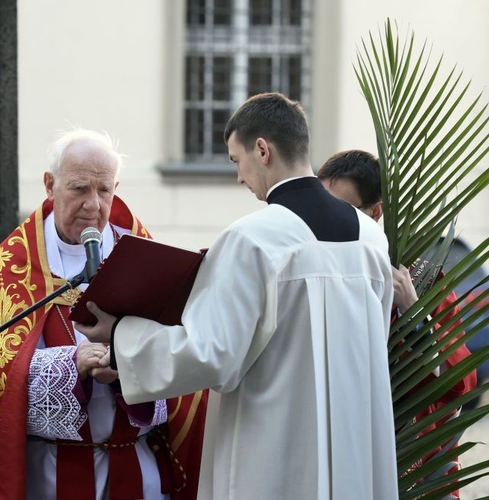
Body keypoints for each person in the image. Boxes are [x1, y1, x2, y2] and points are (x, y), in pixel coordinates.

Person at [76, 93, 399, 499]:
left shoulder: (252, 238)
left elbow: (210, 352)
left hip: (275, 451)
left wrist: (121, 333)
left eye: (236, 160)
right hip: (354, 449)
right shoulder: (370, 238)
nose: (239, 177)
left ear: (262, 150)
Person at [0, 129, 207, 499]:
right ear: (50, 185)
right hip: (48, 472)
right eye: (79, 189)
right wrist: (70, 366)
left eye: (105, 190)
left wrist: (130, 368)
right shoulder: (8, 269)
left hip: (136, 468)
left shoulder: (144, 256)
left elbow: (184, 368)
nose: (94, 204)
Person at [318, 149, 477, 497]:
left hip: (408, 462)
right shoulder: (312, 273)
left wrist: (412, 311)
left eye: (342, 211)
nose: (327, 223)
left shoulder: (420, 280)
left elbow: (459, 380)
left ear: (375, 212)